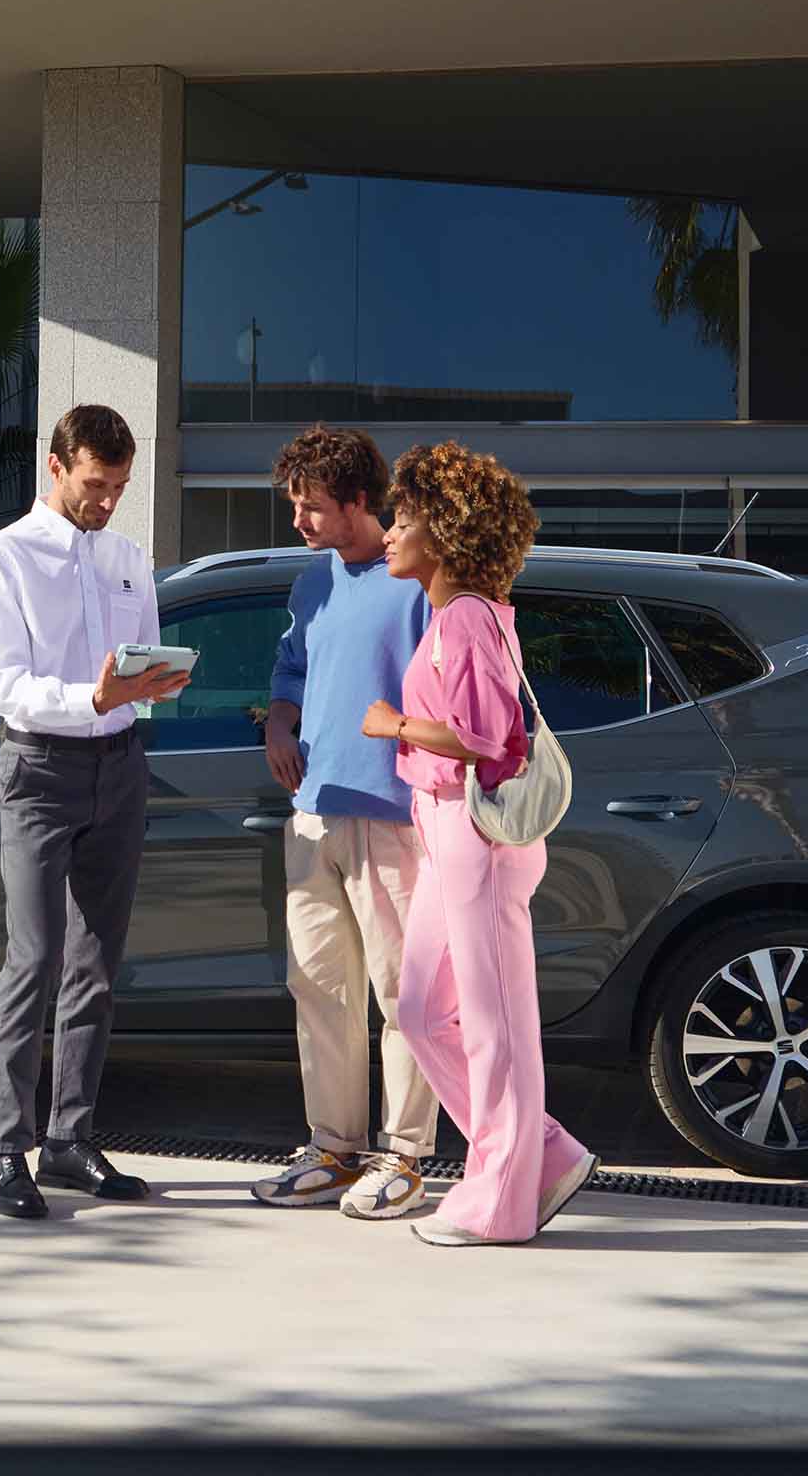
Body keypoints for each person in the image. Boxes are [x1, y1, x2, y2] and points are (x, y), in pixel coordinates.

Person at [359, 441, 598, 1247]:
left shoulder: (464, 616)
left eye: (404, 519)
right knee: (425, 1012)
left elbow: (488, 738)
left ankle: (500, 1202)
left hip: (477, 834)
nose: (389, 533)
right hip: (446, 834)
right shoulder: (461, 615)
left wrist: (392, 723)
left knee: (497, 1025)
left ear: (447, 532)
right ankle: (545, 1153)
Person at [0, 403, 192, 1220]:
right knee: (34, 958)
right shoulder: (0, 560)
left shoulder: (130, 558)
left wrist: (156, 683)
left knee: (97, 966)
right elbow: (7, 689)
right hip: (39, 771)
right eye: (96, 484)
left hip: (121, 769)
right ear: (54, 466)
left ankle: (69, 1140)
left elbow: (145, 677)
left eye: (120, 487)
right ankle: (3, 1153)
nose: (108, 501)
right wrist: (93, 695)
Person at [248, 427, 440, 1220]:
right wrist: (278, 725)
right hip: (312, 814)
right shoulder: (311, 583)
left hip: (394, 816)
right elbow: (290, 670)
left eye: (313, 507)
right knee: (320, 987)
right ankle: (333, 1148)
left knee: (403, 993)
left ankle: (406, 1155)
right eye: (294, 504)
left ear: (360, 501)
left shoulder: (418, 579)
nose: (299, 520)